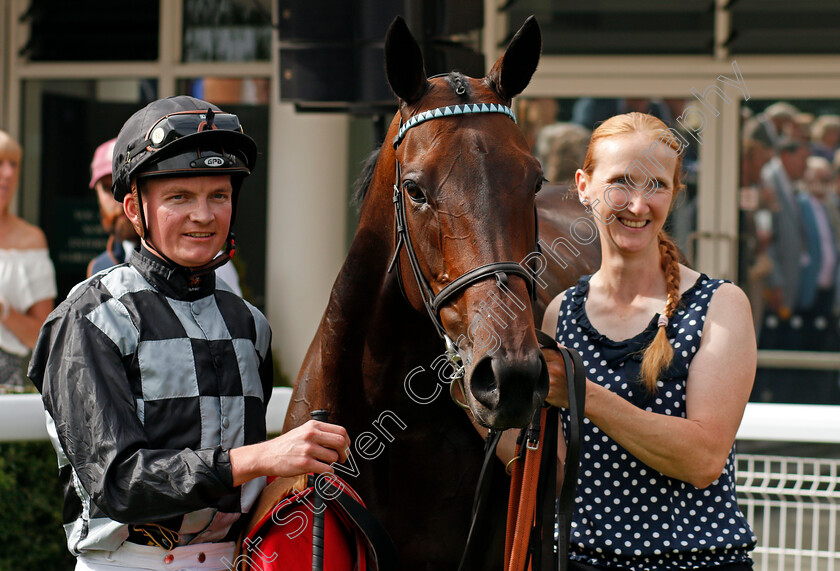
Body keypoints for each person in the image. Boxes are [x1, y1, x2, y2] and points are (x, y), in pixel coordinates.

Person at [28, 96, 350, 571]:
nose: (204, 215)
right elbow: (120, 482)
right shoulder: (88, 317)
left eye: (218, 195)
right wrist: (260, 458)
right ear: (135, 209)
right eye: (180, 197)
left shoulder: (249, 323)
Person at [540, 112, 757, 570]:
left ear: (675, 194)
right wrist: (477, 397)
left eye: (656, 185)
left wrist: (582, 394)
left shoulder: (719, 305)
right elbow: (550, 468)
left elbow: (703, 458)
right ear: (583, 186)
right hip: (580, 562)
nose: (637, 205)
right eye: (620, 182)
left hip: (693, 562)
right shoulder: (561, 313)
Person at [86, 137, 243, 296]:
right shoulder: (99, 266)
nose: (118, 201)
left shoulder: (208, 263)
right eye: (108, 189)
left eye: (132, 188)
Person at [0, 129, 56, 392]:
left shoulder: (30, 240)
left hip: (12, 384)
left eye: (14, 165)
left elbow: (45, 337)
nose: (9, 174)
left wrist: (4, 313)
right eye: (0, 163)